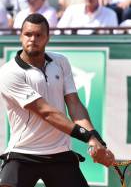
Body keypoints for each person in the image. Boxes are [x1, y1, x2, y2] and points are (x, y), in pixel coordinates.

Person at [0, 13, 115, 187]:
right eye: (28, 34)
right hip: (22, 153)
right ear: (20, 36)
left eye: (39, 35)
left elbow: (75, 105)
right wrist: (88, 137)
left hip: (60, 153)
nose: (33, 39)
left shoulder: (61, 62)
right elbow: (46, 112)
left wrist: (97, 141)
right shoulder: (9, 72)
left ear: (48, 37)